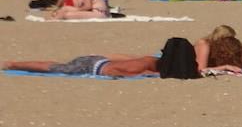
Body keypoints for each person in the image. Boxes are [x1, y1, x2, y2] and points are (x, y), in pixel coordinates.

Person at [4, 54, 159, 77]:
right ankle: (12, 65)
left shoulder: (149, 59)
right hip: (90, 67)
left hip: (97, 59)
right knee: (52, 68)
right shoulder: (140, 69)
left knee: (55, 65)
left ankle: (13, 64)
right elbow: (115, 72)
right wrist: (144, 75)